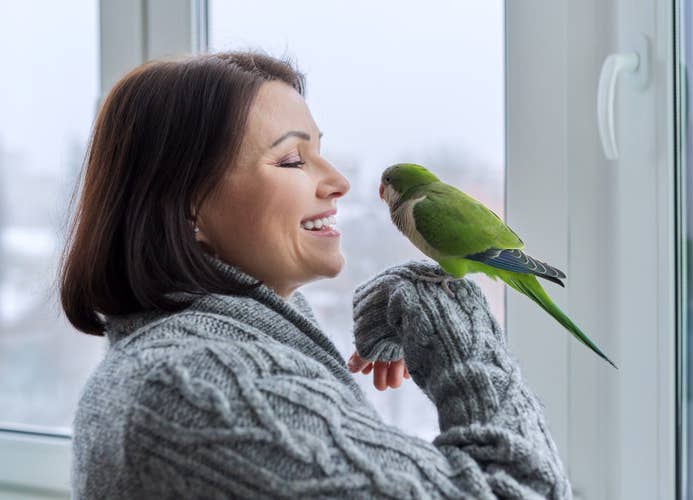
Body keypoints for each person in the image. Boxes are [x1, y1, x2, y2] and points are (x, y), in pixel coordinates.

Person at [60, 50, 572, 499]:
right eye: (290, 159)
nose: (339, 182)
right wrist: (451, 318)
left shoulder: (198, 360)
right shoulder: (198, 388)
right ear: (188, 206)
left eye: (320, 152)